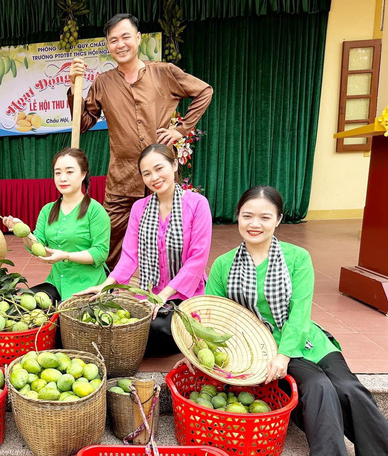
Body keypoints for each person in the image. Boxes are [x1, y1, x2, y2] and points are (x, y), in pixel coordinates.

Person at [176, 186, 388, 455]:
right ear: (237, 217)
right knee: (318, 387)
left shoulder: (298, 258)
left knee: (348, 388)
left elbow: (300, 311)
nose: (255, 224)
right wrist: (195, 350)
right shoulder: (223, 264)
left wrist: (285, 354)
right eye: (247, 216)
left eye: (265, 217)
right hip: (260, 349)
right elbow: (212, 317)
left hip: (305, 339)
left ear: (278, 219)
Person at [68, 13, 213, 270]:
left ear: (138, 38)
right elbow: (84, 123)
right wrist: (73, 88)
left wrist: (181, 129)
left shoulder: (164, 72)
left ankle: (167, 288)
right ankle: (106, 288)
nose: (120, 44)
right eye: (113, 40)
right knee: (110, 236)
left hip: (160, 173)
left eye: (126, 37)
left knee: (169, 235)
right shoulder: (103, 82)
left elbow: (204, 90)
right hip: (122, 177)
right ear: (108, 46)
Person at [76, 144, 212, 356]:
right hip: (150, 293)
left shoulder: (197, 204)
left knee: (156, 329)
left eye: (159, 168)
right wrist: (105, 286)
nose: (154, 177)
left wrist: (165, 295)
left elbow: (198, 260)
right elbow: (130, 256)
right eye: (146, 173)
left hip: (185, 294)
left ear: (174, 164)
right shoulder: (140, 208)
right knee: (120, 323)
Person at [2, 148, 110, 301]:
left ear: (83, 174)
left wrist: (66, 256)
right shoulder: (48, 210)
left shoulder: (95, 211)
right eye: (57, 173)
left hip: (89, 285)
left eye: (69, 172)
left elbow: (100, 252)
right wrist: (24, 232)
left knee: (64, 322)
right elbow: (37, 246)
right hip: (57, 282)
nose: (62, 178)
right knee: (23, 305)